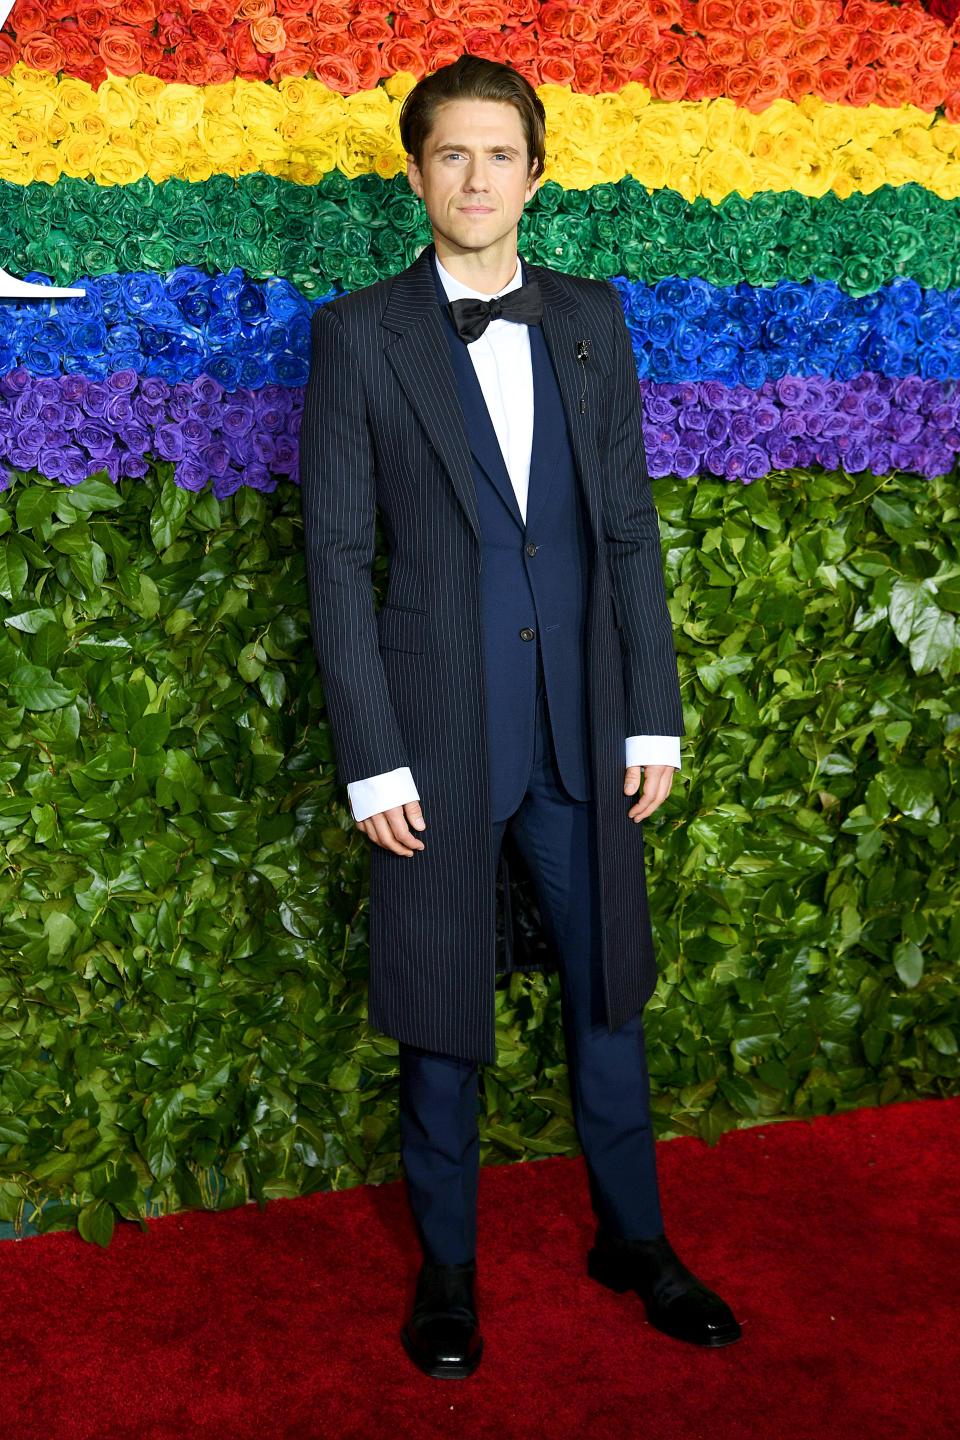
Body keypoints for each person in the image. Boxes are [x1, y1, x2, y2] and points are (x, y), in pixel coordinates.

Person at [299, 53, 742, 1380]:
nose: (478, 177)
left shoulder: (595, 320)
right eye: (453, 154)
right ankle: (446, 1272)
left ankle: (634, 1242)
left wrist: (650, 718)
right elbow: (333, 558)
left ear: (534, 176)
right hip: (433, 730)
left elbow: (628, 532)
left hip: (585, 723)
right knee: (440, 1007)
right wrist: (371, 754)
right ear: (417, 171)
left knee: (609, 991)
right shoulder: (357, 335)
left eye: (501, 155)